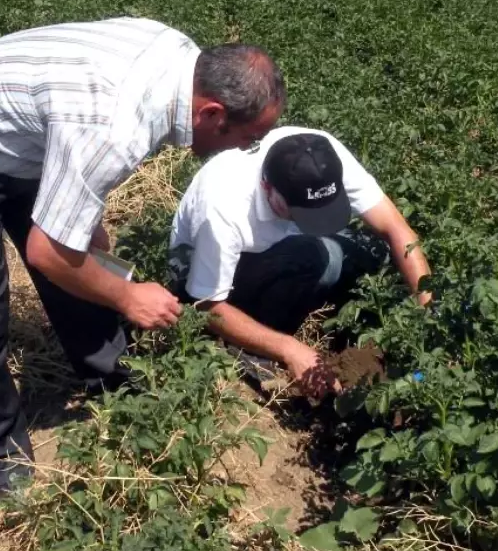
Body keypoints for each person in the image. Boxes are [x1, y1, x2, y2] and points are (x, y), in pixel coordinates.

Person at [0, 18, 284, 500]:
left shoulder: (182, 59)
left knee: (82, 256)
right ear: (212, 113)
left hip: (21, 143)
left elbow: (76, 134)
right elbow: (47, 251)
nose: (248, 149)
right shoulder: (115, 126)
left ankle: (115, 382)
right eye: (246, 136)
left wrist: (84, 217)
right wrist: (127, 296)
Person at [168, 127, 430, 393]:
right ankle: (254, 347)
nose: (315, 221)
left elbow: (396, 229)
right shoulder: (223, 209)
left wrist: (429, 307)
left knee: (376, 253)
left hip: (277, 244)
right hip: (208, 279)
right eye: (300, 213)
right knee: (317, 257)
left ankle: (350, 335)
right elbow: (205, 306)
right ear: (267, 188)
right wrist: (289, 349)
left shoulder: (320, 157)